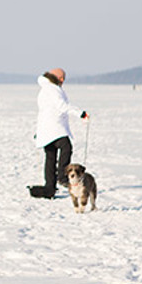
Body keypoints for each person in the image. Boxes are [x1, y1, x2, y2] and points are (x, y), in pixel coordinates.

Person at [31, 67, 88, 199]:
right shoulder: (52, 89)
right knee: (66, 147)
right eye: (62, 77)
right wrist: (80, 113)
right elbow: (62, 106)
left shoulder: (45, 88)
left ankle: (49, 188)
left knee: (50, 156)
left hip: (47, 128)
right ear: (56, 77)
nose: (63, 80)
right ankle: (62, 176)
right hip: (54, 127)